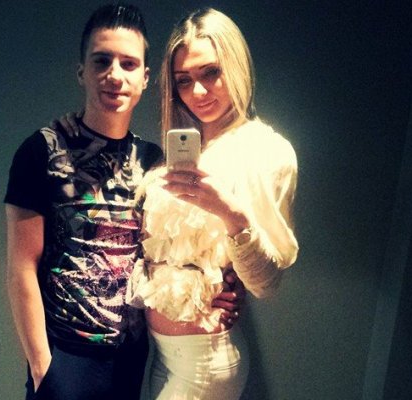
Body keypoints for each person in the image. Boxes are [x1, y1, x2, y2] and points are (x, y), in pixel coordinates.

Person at [4, 4, 241, 400]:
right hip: (65, 356)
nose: (115, 75)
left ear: (145, 78)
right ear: (82, 71)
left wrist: (219, 290)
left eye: (128, 64)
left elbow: (169, 256)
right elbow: (21, 267)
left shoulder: (154, 162)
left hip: (131, 358)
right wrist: (43, 367)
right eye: (102, 61)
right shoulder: (41, 151)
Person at [126, 8, 299, 400]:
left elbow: (266, 283)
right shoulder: (190, 147)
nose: (198, 92)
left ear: (236, 66)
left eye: (211, 73)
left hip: (204, 362)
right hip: (162, 354)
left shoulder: (267, 152)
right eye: (184, 80)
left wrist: (230, 213)